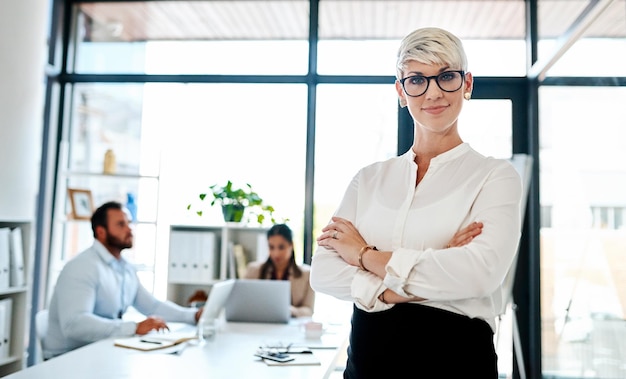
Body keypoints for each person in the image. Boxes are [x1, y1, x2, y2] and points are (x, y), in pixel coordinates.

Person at [310, 27, 523, 378]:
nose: (433, 92)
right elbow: (324, 272)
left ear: (467, 84)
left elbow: (479, 275)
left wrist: (364, 256)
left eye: (446, 76)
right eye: (417, 80)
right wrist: (437, 266)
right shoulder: (368, 179)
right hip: (366, 365)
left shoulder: (495, 176)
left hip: (455, 362)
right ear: (400, 90)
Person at [45, 201, 202, 359]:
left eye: (129, 223)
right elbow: (75, 324)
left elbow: (152, 306)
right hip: (68, 357)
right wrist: (133, 328)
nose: (129, 229)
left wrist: (192, 316)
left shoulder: (125, 268)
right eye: (121, 224)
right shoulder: (82, 267)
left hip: (100, 350)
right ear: (101, 232)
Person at [244, 223, 315, 318]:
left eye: (281, 247)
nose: (276, 254)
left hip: (291, 327)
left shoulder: (307, 274)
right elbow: (244, 303)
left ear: (291, 245)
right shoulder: (253, 270)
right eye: (271, 247)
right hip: (260, 324)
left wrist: (290, 310)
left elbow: (308, 310)